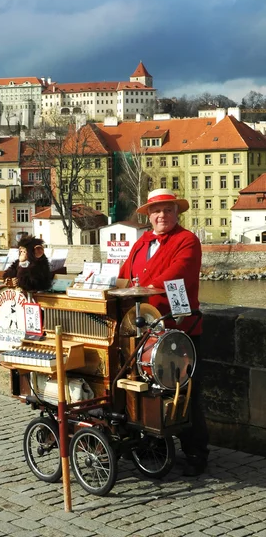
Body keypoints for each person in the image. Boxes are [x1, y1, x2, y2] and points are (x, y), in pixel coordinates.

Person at [119, 188, 209, 476]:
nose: (161, 215)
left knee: (185, 392)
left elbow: (175, 274)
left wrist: (136, 288)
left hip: (177, 328)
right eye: (156, 211)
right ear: (148, 215)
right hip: (142, 326)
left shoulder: (187, 241)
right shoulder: (141, 242)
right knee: (147, 390)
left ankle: (196, 452)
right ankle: (155, 445)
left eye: (167, 210)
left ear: (176, 213)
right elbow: (123, 273)